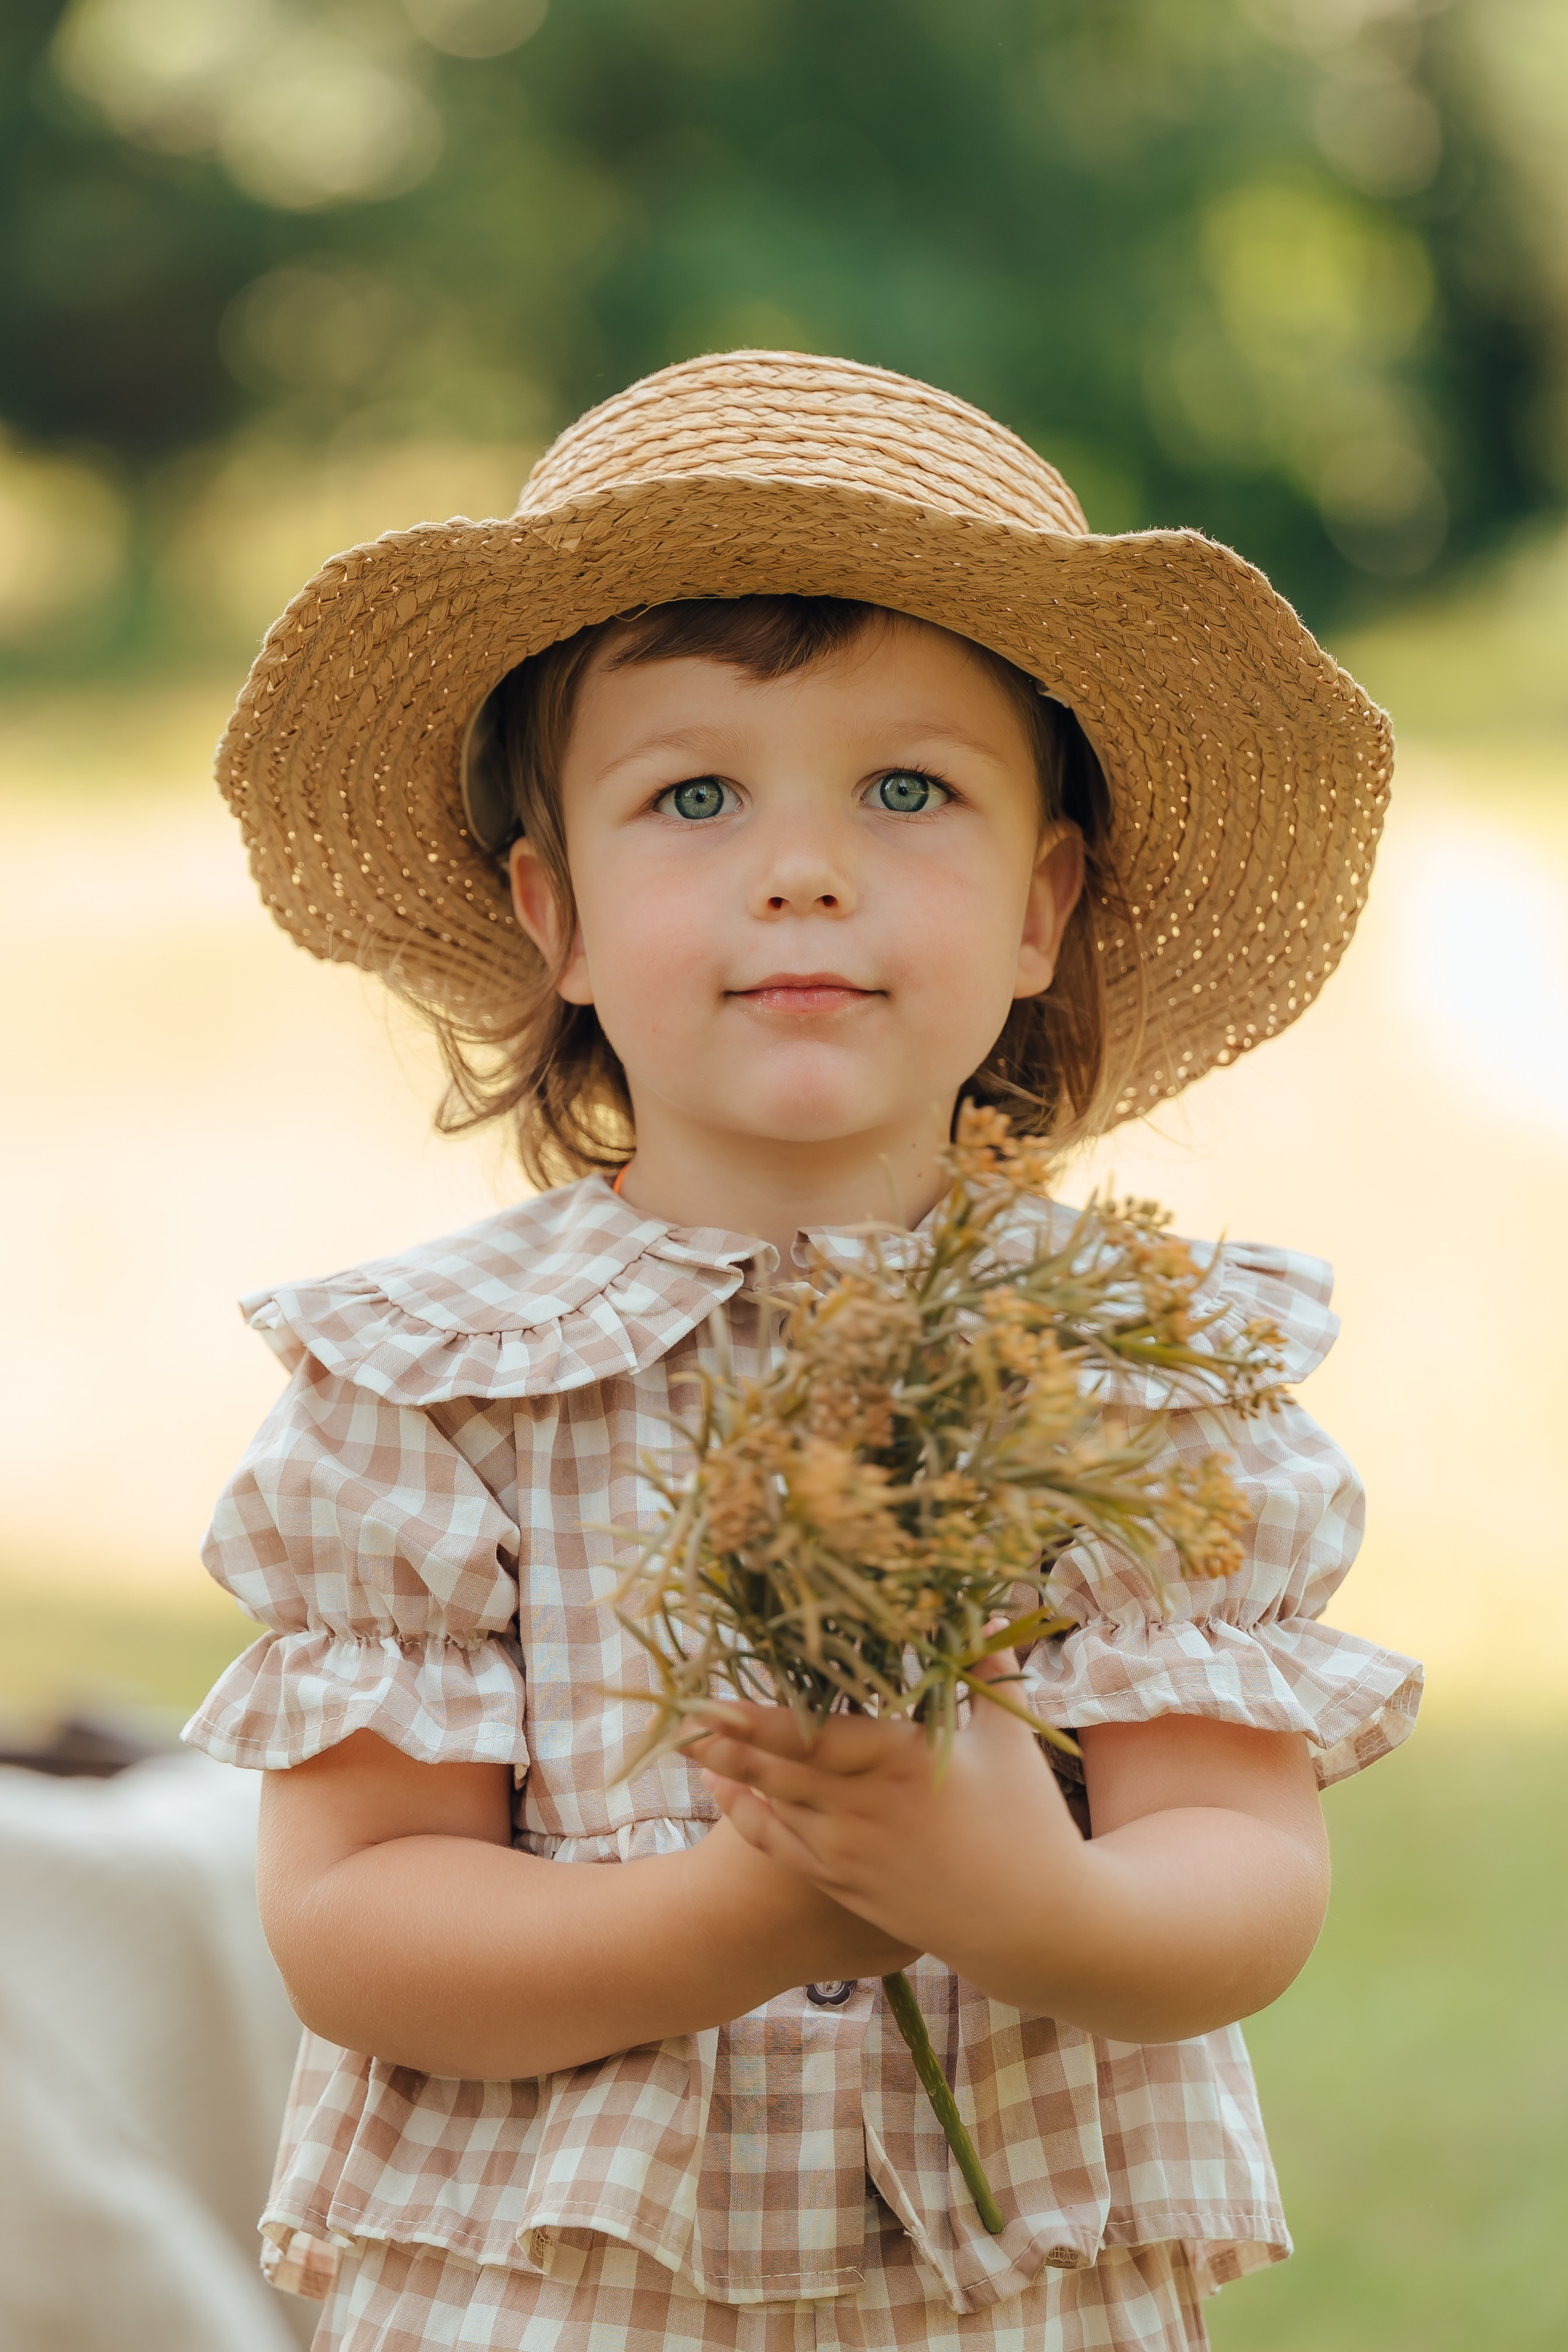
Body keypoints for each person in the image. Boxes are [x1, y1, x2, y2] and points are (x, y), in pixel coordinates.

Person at [184, 352, 1422, 2352]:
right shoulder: (430, 1388)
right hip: (554, 2290)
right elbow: (355, 1927)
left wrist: (1025, 1901)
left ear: (1044, 904)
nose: (804, 865)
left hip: (1008, 2289)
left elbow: (1242, 1875)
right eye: (693, 795)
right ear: (552, 910)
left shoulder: (1133, 1372)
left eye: (908, 789)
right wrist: (763, 1912)